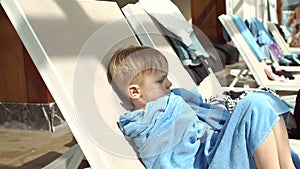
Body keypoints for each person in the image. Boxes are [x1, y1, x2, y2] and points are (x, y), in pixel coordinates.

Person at [108, 46, 299, 169]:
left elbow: (202, 116)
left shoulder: (172, 100)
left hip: (216, 152)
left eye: (167, 77)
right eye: (160, 80)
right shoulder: (145, 125)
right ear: (135, 92)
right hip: (209, 163)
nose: (169, 84)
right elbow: (169, 160)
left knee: (265, 99)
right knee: (254, 104)